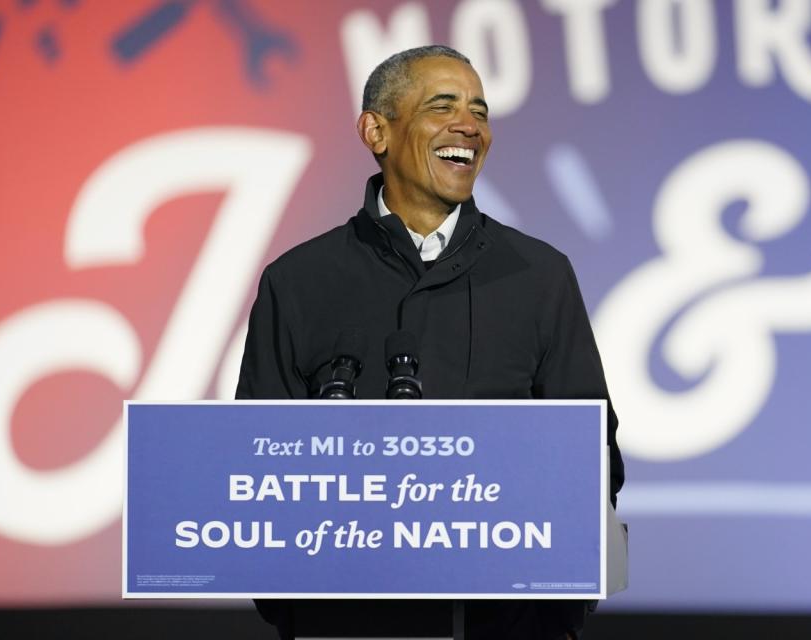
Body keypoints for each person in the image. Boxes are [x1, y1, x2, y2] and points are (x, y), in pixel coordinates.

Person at [236, 45, 624, 640]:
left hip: (507, 624)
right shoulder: (298, 281)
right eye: (442, 106)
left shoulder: (539, 275)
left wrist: (556, 613)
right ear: (376, 130)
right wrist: (296, 608)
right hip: (342, 624)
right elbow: (255, 469)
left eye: (480, 111)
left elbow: (593, 454)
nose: (469, 126)